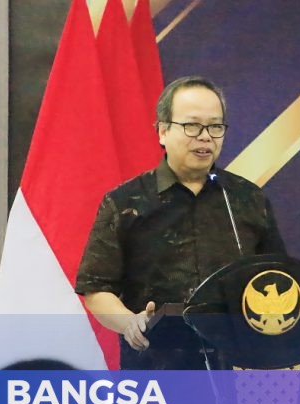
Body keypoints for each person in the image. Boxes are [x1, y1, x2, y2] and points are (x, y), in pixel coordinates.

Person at [75, 76, 286, 369]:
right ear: (163, 131)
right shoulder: (125, 203)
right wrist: (130, 323)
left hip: (239, 369)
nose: (205, 137)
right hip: (158, 368)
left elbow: (277, 277)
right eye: (192, 126)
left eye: (215, 126)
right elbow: (96, 288)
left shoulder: (247, 198)